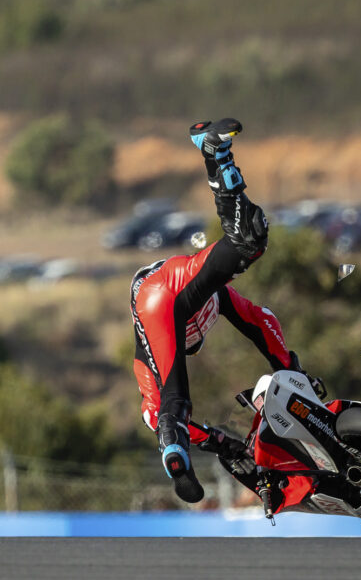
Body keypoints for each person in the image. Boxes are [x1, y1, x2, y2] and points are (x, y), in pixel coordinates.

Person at [130, 118, 314, 503]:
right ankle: (213, 152)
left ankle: (176, 457)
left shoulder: (152, 353)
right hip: (163, 287)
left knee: (173, 403)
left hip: (160, 288)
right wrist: (289, 367)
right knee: (250, 237)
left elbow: (153, 415)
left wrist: (218, 442)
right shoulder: (212, 302)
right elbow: (261, 322)